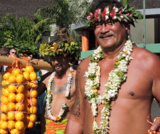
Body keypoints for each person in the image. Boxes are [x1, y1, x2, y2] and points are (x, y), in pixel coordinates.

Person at [65, 1, 160, 134]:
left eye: (111, 22)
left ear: (126, 26)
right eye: (98, 24)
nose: (103, 30)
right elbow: (76, 119)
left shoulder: (148, 62)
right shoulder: (85, 66)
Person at [38, 28, 81, 133]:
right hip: (47, 126)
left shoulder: (77, 77)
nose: (56, 62)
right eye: (52, 58)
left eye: (59, 57)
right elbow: (31, 94)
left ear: (68, 57)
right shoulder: (48, 78)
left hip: (68, 126)